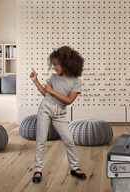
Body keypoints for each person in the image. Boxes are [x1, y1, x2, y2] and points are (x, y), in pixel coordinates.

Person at [30, 46, 87, 183]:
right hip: (45, 108)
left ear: (67, 63)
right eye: (53, 64)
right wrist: (35, 80)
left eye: (57, 64)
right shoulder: (54, 77)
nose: (54, 67)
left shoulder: (76, 82)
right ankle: (38, 169)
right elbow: (45, 94)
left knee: (69, 141)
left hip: (60, 112)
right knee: (41, 140)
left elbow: (68, 101)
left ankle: (74, 168)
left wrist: (52, 91)